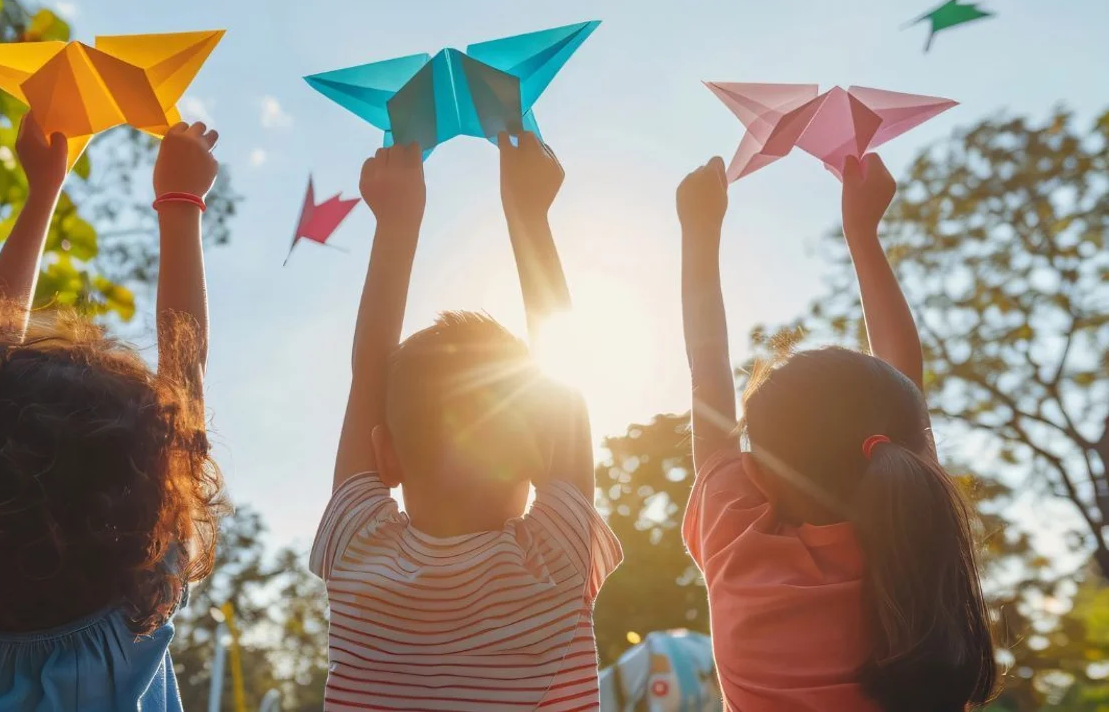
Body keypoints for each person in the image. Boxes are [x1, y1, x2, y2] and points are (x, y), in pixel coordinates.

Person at [0, 115, 226, 711]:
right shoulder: (135, 609)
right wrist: (180, 203)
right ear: (151, 486)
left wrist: (44, 189)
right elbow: (186, 379)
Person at [309, 133, 623, 710]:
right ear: (540, 450)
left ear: (386, 456)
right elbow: (568, 378)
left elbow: (366, 376)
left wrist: (396, 223)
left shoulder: (359, 552)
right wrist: (528, 213)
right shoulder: (555, 559)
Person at [676, 153, 997, 711]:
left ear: (757, 475)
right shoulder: (918, 544)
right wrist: (863, 234)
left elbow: (707, 368)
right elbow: (902, 390)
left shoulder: (738, 546)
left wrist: (699, 232)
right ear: (899, 444)